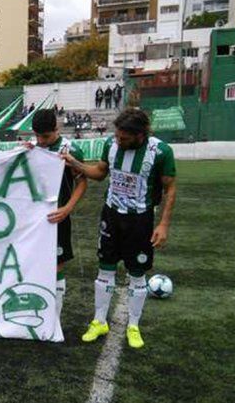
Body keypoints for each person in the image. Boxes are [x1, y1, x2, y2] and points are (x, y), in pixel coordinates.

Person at [62, 109, 177, 349]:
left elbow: (170, 189)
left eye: (124, 138)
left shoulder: (161, 152)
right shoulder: (110, 145)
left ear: (140, 135)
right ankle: (99, 321)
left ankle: (133, 326)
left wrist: (164, 224)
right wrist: (76, 164)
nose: (118, 141)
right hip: (111, 216)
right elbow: (100, 173)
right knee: (105, 270)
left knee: (137, 273)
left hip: (140, 220)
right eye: (117, 136)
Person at [28, 110, 88, 320]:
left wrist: (68, 208)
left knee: (56, 265)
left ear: (57, 129)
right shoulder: (33, 148)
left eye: (45, 137)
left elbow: (82, 182)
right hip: (34, 220)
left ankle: (54, 318)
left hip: (58, 218)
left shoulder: (71, 150)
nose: (41, 141)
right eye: (37, 136)